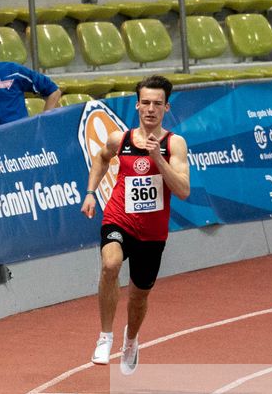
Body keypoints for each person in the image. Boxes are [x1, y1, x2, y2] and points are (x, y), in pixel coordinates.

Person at [80, 76, 191, 374]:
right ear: (137, 105)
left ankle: (130, 340)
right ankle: (105, 336)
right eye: (145, 103)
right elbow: (101, 159)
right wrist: (91, 192)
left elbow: (182, 190)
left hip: (152, 233)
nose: (150, 109)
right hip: (119, 218)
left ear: (166, 107)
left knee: (139, 295)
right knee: (110, 265)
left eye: (157, 104)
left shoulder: (174, 144)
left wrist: (159, 158)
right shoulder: (121, 139)